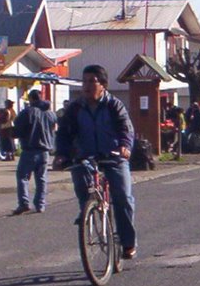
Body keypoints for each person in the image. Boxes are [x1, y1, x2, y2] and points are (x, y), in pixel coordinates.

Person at [53, 64, 137, 259]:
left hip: (114, 156)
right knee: (80, 177)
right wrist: (61, 154)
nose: (87, 86)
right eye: (85, 81)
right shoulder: (75, 108)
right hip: (86, 156)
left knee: (123, 197)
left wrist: (125, 147)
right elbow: (64, 134)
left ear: (103, 85)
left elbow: (126, 129)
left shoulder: (114, 105)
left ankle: (127, 242)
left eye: (92, 81)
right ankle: (86, 211)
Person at [13, 88, 57, 214]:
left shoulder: (28, 112)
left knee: (23, 177)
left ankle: (24, 203)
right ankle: (40, 204)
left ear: (31, 99)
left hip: (29, 149)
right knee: (41, 179)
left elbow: (17, 127)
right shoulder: (50, 113)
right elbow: (55, 126)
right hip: (45, 151)